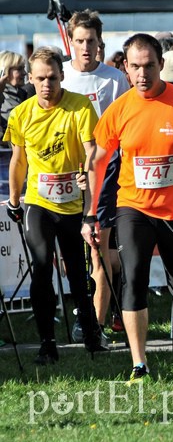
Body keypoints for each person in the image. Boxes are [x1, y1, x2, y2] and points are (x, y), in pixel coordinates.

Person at [80, 33, 173, 384]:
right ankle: (139, 364)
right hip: (133, 208)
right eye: (135, 67)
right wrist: (90, 213)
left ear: (161, 64)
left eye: (149, 66)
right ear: (126, 69)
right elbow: (97, 161)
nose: (142, 74)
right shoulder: (120, 109)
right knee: (133, 280)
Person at [4, 47, 107, 364]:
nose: (46, 84)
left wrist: (86, 179)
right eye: (40, 79)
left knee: (78, 272)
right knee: (40, 269)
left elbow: (92, 151)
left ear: (62, 75)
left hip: (73, 203)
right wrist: (14, 199)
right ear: (31, 80)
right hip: (39, 201)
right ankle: (47, 342)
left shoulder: (79, 106)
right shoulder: (22, 114)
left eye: (52, 77)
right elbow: (18, 160)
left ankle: (90, 332)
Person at [61, 9, 131, 340]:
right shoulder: (59, 76)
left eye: (91, 41)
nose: (85, 47)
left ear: (99, 43)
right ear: (70, 42)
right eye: (79, 41)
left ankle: (94, 326)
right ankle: (80, 311)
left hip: (104, 176)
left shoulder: (113, 79)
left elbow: (120, 134)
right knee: (70, 254)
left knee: (98, 252)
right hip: (62, 176)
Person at [0, 51, 30, 136]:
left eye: (23, 68)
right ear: (5, 71)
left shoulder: (22, 94)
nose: (24, 73)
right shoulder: (3, 97)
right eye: (19, 69)